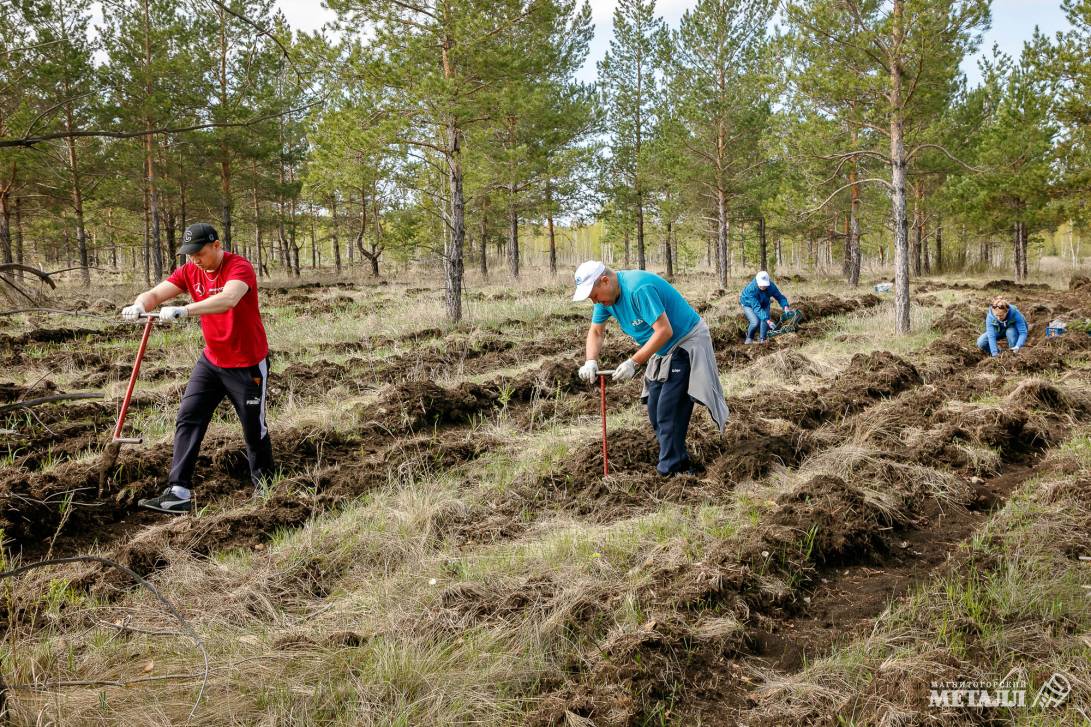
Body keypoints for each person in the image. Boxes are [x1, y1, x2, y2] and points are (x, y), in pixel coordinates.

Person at [120, 223, 273, 514]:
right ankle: (178, 491)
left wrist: (186, 309)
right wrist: (139, 304)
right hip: (212, 361)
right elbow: (155, 294)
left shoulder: (239, 267)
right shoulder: (190, 271)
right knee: (188, 418)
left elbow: (228, 299)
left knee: (254, 429)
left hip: (246, 364)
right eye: (190, 255)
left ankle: (266, 489)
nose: (195, 260)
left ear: (217, 245)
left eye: (200, 253)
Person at [573, 261, 729, 478]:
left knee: (669, 410)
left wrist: (633, 362)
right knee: (655, 408)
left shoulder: (638, 289)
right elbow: (596, 332)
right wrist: (590, 360)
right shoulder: (605, 300)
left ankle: (670, 470)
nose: (593, 300)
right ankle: (680, 461)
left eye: (593, 294)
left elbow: (664, 330)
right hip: (662, 349)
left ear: (605, 281)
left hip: (686, 341)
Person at [739, 270, 792, 344]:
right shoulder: (751, 289)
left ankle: (763, 340)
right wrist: (768, 320)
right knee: (755, 322)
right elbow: (756, 308)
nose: (763, 286)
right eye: (761, 285)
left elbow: (780, 297)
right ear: (757, 282)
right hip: (748, 304)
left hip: (764, 302)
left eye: (765, 285)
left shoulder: (771, 286)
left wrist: (785, 307)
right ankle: (749, 338)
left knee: (765, 319)